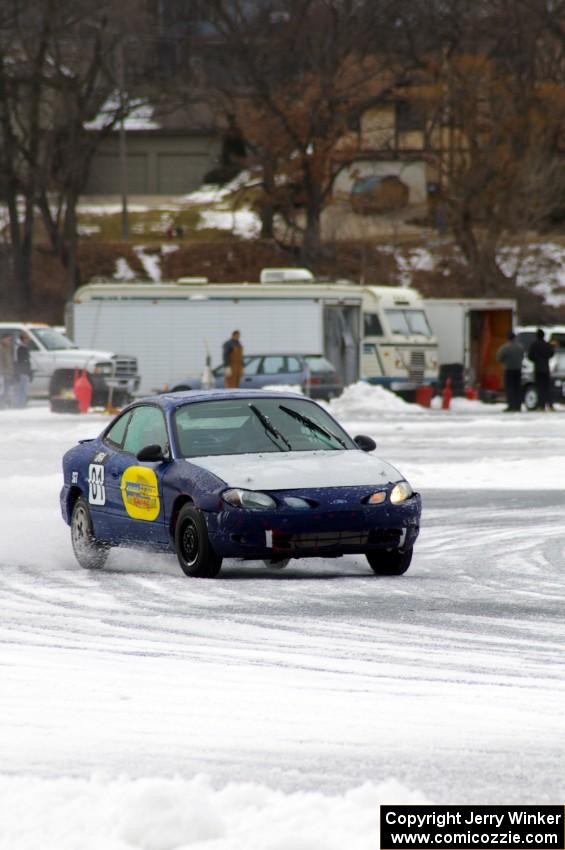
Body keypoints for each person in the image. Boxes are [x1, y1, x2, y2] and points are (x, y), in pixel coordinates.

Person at [496, 330, 524, 412]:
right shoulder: (520, 347)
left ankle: (511, 405)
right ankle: (518, 406)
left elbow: (499, 358)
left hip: (509, 369)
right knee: (517, 388)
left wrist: (505, 362)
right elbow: (522, 356)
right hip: (518, 369)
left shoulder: (505, 347)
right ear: (515, 337)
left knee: (510, 388)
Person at [528, 328, 555, 410]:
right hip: (546, 368)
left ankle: (541, 405)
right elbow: (551, 353)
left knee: (539, 387)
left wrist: (536, 359)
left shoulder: (534, 345)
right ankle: (550, 404)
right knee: (547, 387)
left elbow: (530, 356)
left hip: (538, 368)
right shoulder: (547, 344)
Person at [14, 332, 33, 408]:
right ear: (23, 339)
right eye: (26, 338)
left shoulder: (24, 347)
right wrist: (20, 371)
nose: (27, 340)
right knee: (21, 389)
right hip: (22, 372)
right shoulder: (20, 348)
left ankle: (21, 403)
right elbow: (20, 361)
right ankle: (20, 404)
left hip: (24, 371)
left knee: (23, 389)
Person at [0, 333, 15, 408]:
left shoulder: (8, 348)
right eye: (8, 339)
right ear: (3, 339)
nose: (9, 341)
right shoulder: (1, 348)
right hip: (2, 374)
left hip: (8, 373)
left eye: (10, 340)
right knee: (2, 391)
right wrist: (3, 373)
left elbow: (10, 361)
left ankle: (4, 405)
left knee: (7, 390)